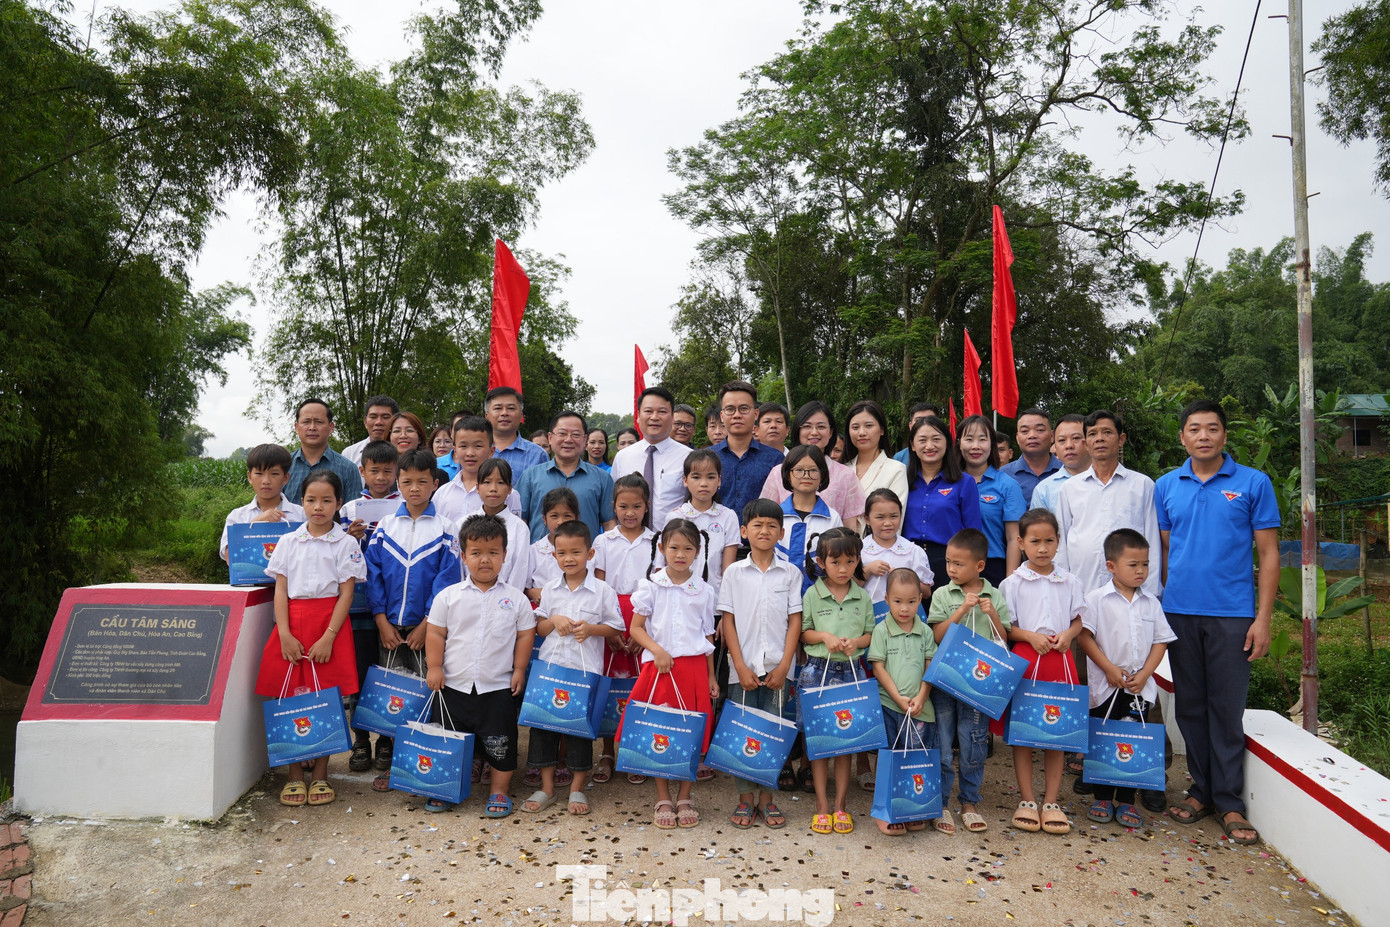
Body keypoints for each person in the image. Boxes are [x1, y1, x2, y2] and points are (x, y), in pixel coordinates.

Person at [1156, 399, 1279, 846]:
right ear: (1183, 437)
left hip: (1232, 615)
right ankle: (1201, 790)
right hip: (1180, 612)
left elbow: (1268, 555)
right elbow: (1168, 553)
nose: (1203, 436)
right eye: (1194, 429)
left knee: (1226, 709)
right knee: (1190, 706)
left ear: (1225, 435)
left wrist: (1261, 619)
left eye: (1212, 428)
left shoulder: (1253, 483)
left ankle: (1229, 802)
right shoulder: (1167, 485)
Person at [253, 471, 366, 808]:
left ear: (339, 504)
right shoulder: (288, 542)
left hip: (328, 627)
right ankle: (293, 776)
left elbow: (346, 594)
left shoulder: (346, 543)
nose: (318, 507)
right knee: (290, 697)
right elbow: (281, 592)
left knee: (326, 699)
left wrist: (329, 637)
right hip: (292, 626)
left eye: (327, 500)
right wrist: (284, 633)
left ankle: (320, 775)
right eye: (311, 500)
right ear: (301, 502)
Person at [361, 448, 463, 791]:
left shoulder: (447, 529)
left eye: (422, 482)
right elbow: (372, 573)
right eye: (407, 482)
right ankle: (389, 752)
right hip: (389, 626)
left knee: (425, 691)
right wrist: (380, 619)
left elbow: (447, 579)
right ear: (398, 484)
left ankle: (419, 756)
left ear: (435, 484)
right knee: (390, 690)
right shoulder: (385, 527)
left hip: (426, 629)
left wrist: (427, 624)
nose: (414, 488)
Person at [423, 514, 537, 816]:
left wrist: (519, 669)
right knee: (448, 741)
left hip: (497, 687)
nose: (484, 560)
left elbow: (526, 635)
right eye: (476, 553)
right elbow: (435, 632)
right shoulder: (448, 597)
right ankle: (443, 787)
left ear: (504, 555)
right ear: (463, 556)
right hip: (453, 685)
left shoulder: (516, 600)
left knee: (501, 742)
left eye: (492, 553)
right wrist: (434, 667)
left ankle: (499, 792)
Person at [621, 519, 720, 829]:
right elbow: (636, 628)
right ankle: (663, 795)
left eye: (688, 548)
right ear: (661, 548)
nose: (680, 554)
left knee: (689, 731)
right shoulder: (650, 586)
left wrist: (711, 677)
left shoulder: (704, 590)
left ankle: (685, 795)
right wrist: (658, 650)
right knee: (659, 729)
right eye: (674, 547)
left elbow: (707, 639)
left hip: (692, 671)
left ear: (697, 552)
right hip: (659, 668)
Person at [523, 520, 625, 817]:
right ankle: (547, 788)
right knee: (544, 729)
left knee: (580, 730)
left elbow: (616, 627)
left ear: (590, 554)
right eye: (563, 552)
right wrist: (553, 620)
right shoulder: (550, 591)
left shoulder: (602, 590)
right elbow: (539, 629)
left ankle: (577, 787)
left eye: (576, 552)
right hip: (552, 669)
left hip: (584, 672)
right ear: (554, 555)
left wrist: (592, 629)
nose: (569, 558)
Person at [1079, 528, 1177, 830]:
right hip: (1106, 686)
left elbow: (1161, 641)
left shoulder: (1151, 603)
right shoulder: (1096, 599)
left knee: (1131, 740)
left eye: (1145, 564)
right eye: (1133, 564)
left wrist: (1146, 674)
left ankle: (1127, 800)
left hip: (1139, 688)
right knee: (1104, 739)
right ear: (1111, 566)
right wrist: (1108, 668)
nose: (1141, 571)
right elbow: (1085, 636)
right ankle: (1103, 796)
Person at [999, 509, 1086, 836]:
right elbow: (1007, 628)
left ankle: (1051, 801)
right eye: (1035, 541)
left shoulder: (1070, 581)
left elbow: (1078, 620)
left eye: (1049, 541)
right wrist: (1030, 636)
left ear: (1058, 542)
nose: (1042, 548)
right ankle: (1026, 799)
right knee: (1023, 734)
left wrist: (1070, 633)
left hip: (1060, 664)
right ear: (1021, 543)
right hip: (1027, 661)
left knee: (1056, 733)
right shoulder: (1012, 584)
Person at [717, 498, 802, 830]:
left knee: (775, 730)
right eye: (757, 525)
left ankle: (767, 798)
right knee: (743, 731)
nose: (764, 531)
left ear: (781, 533)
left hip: (779, 669)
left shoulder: (791, 572)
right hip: (744, 668)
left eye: (771, 526)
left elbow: (794, 622)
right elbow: (728, 621)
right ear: (744, 531)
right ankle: (745, 799)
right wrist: (738, 665)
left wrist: (784, 666)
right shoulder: (734, 573)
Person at [927, 528, 1011, 836]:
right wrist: (962, 610)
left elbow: (1005, 640)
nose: (951, 569)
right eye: (948, 562)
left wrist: (993, 615)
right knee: (943, 743)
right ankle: (941, 803)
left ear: (979, 566)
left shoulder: (995, 594)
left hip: (980, 684)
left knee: (974, 741)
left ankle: (970, 801)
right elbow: (936, 636)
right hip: (947, 680)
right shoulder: (941, 594)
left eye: (959, 564)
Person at [798, 527, 874, 836]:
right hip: (817, 672)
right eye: (835, 562)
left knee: (846, 745)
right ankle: (822, 806)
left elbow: (871, 633)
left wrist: (857, 642)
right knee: (819, 745)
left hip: (852, 673)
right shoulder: (813, 594)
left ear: (857, 561)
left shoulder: (862, 596)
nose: (843, 569)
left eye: (849, 561)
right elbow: (804, 632)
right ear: (820, 562)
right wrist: (825, 636)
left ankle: (841, 805)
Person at [338, 440, 401, 774]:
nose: (380, 477)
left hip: (394, 607)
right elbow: (335, 555)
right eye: (373, 470)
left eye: (387, 471)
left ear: (397, 473)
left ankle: (387, 739)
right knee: (359, 677)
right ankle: (360, 740)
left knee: (390, 676)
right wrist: (350, 537)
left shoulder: (404, 506)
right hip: (358, 608)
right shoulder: (349, 508)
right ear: (361, 471)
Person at [591, 473, 658, 783]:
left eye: (637, 506)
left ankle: (634, 749)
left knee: (640, 685)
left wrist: (641, 633)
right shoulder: (603, 541)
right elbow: (599, 585)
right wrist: (613, 628)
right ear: (613, 506)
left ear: (647, 507)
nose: (630, 513)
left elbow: (659, 586)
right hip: (612, 616)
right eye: (623, 506)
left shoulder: (657, 541)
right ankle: (607, 751)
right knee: (610, 685)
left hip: (644, 617)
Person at [1056, 410, 1161, 596]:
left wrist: (1150, 594)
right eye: (1093, 434)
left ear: (1121, 439)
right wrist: (1063, 589)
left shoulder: (1142, 485)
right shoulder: (1070, 488)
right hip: (1083, 590)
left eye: (1107, 432)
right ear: (1085, 443)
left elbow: (1152, 540)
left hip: (1132, 593)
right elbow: (1061, 542)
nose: (1100, 439)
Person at [867, 567, 939, 836]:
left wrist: (922, 696)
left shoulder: (925, 632)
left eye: (911, 601)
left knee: (915, 759)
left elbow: (930, 665)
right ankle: (886, 812)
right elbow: (878, 667)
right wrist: (898, 698)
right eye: (897, 601)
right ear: (886, 599)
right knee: (889, 758)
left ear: (920, 599)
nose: (904, 608)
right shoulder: (881, 630)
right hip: (890, 706)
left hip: (920, 709)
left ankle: (912, 808)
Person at [760, 402, 867, 532]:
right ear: (798, 431)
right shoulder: (778, 472)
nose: (814, 432)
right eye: (807, 426)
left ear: (831, 432)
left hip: (833, 550)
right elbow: (765, 518)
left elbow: (851, 529)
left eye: (821, 426)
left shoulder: (845, 475)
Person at [903, 416, 982, 590]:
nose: (930, 446)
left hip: (949, 562)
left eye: (936, 439)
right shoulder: (903, 481)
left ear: (947, 443)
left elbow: (973, 532)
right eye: (922, 440)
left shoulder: (964, 482)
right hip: (908, 560)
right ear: (913, 445)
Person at [516, 411, 615, 544]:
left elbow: (609, 523)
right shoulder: (530, 477)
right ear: (550, 438)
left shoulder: (602, 479)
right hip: (539, 561)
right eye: (562, 433)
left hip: (587, 561)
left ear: (585, 440)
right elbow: (520, 522)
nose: (568, 440)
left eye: (575, 434)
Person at [660, 449, 740, 597]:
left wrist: (726, 609)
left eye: (710, 477)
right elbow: (664, 564)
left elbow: (728, 570)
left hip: (715, 600)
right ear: (685, 480)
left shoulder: (728, 517)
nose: (704, 484)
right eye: (696, 477)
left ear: (719, 480)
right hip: (678, 598)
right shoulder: (675, 517)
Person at [957, 414, 1025, 586]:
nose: (975, 446)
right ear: (959, 443)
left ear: (991, 444)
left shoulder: (1008, 485)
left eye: (982, 439)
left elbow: (1013, 538)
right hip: (952, 566)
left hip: (992, 567)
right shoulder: (948, 482)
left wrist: (1009, 582)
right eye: (969, 439)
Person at [610, 387, 693, 524]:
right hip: (631, 542)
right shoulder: (622, 457)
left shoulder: (688, 457)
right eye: (648, 411)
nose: (654, 417)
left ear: (672, 417)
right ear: (638, 416)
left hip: (672, 541)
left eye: (662, 411)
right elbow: (613, 502)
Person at [709, 381, 782, 528]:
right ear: (722, 416)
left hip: (761, 545)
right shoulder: (707, 457)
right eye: (730, 409)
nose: (737, 415)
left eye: (743, 409)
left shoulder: (775, 458)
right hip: (714, 542)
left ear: (756, 414)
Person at [219, 444, 304, 562]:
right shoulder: (237, 517)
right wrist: (255, 523)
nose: (266, 481)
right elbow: (231, 557)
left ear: (285, 478)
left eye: (274, 474)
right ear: (249, 477)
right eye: (259, 474)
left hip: (292, 581)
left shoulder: (302, 515)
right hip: (250, 581)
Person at [775, 445, 843, 592]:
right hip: (778, 595)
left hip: (820, 598)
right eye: (799, 470)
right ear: (788, 475)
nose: (806, 475)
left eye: (813, 470)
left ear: (822, 476)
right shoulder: (776, 515)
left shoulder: (832, 517)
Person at [432, 417, 521, 523]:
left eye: (478, 446)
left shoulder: (507, 494)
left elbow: (514, 530)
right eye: (463, 446)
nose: (470, 453)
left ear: (491, 451)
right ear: (455, 451)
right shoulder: (442, 494)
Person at [860, 488, 934, 604]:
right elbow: (847, 587)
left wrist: (903, 576)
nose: (888, 523)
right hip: (867, 617)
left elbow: (926, 593)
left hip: (904, 617)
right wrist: (868, 570)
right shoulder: (859, 550)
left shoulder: (913, 551)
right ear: (867, 519)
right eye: (880, 517)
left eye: (894, 516)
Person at [473, 458, 533, 593]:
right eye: (487, 482)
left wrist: (507, 600)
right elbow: (461, 568)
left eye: (500, 483)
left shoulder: (519, 528)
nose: (493, 489)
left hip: (506, 601)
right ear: (477, 488)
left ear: (510, 489)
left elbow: (519, 570)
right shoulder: (464, 524)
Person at [286, 398, 362, 504]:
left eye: (319, 422)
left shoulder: (348, 469)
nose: (312, 427)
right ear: (296, 427)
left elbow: (353, 514)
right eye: (306, 422)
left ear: (331, 427)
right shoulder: (283, 467)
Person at [842, 400, 910, 509]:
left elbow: (894, 519)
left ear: (882, 430)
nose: (862, 433)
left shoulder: (896, 470)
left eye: (869, 426)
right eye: (855, 427)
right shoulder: (842, 470)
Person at [525, 487, 581, 602]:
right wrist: (531, 592)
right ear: (544, 519)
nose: (560, 522)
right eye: (554, 516)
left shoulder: (583, 550)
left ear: (577, 518)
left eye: (567, 516)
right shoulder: (534, 551)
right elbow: (524, 586)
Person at [484, 386, 549, 481]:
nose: (504, 413)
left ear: (521, 416)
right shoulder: (473, 451)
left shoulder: (538, 455)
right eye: (498, 408)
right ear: (487, 416)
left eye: (511, 408)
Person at [1000, 408, 1061, 507]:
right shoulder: (1002, 475)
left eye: (1040, 430)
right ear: (1017, 438)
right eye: (1025, 431)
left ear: (1052, 436)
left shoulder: (1067, 472)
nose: (1032, 435)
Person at [1031, 414, 1090, 514]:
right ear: (1055, 446)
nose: (1069, 446)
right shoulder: (1044, 490)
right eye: (1062, 440)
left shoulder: (1111, 481)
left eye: (1076, 438)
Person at [343, 396, 400, 466]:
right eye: (373, 417)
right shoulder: (349, 455)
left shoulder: (403, 452)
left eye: (385, 417)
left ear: (395, 421)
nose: (379, 422)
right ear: (365, 422)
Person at [434, 409, 475, 479]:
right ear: (451, 432)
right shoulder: (436, 464)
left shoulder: (484, 463)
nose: (463, 432)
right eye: (458, 428)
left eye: (467, 427)